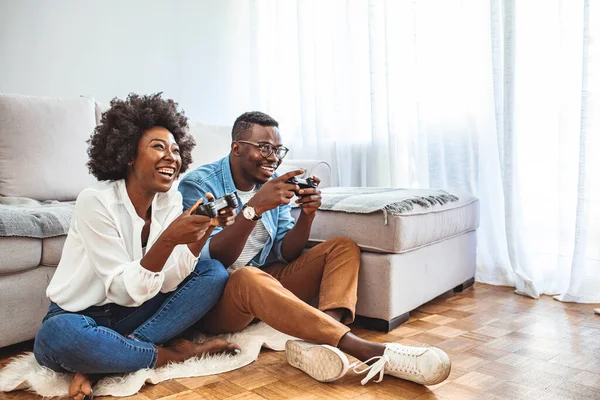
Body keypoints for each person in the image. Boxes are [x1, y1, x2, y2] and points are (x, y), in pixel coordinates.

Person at [178, 111, 452, 386]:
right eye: (264, 148)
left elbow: (287, 253)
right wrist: (254, 208)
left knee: (342, 248)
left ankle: (322, 342)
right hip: (219, 298)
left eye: (277, 149)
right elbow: (211, 259)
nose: (273, 157)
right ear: (236, 148)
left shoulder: (272, 184)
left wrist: (308, 215)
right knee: (246, 277)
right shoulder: (200, 185)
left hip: (262, 281)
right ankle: (365, 350)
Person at [33, 93, 240, 400]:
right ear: (129, 154)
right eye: (158, 147)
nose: (172, 156)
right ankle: (173, 355)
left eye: (175, 149)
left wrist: (201, 233)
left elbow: (170, 281)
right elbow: (120, 289)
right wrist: (169, 237)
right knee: (59, 339)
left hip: (134, 312)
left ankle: (102, 363)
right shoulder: (96, 201)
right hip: (78, 315)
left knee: (213, 272)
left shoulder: (170, 200)